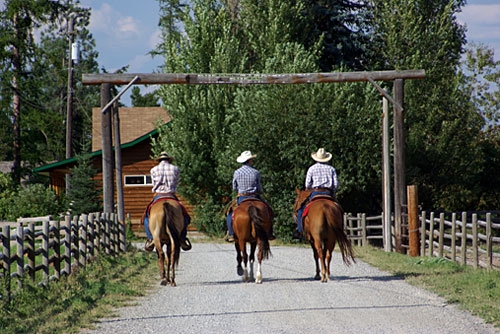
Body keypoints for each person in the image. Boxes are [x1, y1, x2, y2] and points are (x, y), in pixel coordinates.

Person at [144, 151, 191, 251]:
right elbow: (177, 182)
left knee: (146, 217)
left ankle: (151, 239)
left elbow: (154, 183)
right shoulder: (175, 169)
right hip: (171, 195)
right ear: (169, 160)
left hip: (159, 195)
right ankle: (182, 238)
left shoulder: (153, 170)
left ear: (159, 160)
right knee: (185, 216)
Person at [225, 150, 276, 242]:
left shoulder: (237, 172)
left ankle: (231, 233)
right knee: (269, 211)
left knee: (230, 215)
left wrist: (239, 190)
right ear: (249, 160)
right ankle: (270, 233)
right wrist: (259, 191)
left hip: (242, 197)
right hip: (255, 196)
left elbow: (234, 187)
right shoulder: (256, 172)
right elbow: (259, 187)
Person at [293, 148, 338, 240]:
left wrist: (310, 189)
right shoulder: (331, 169)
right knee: (338, 210)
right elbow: (336, 184)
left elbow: (307, 184)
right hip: (328, 193)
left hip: (315, 193)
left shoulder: (312, 168)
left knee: (301, 209)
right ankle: (340, 229)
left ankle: (299, 230)